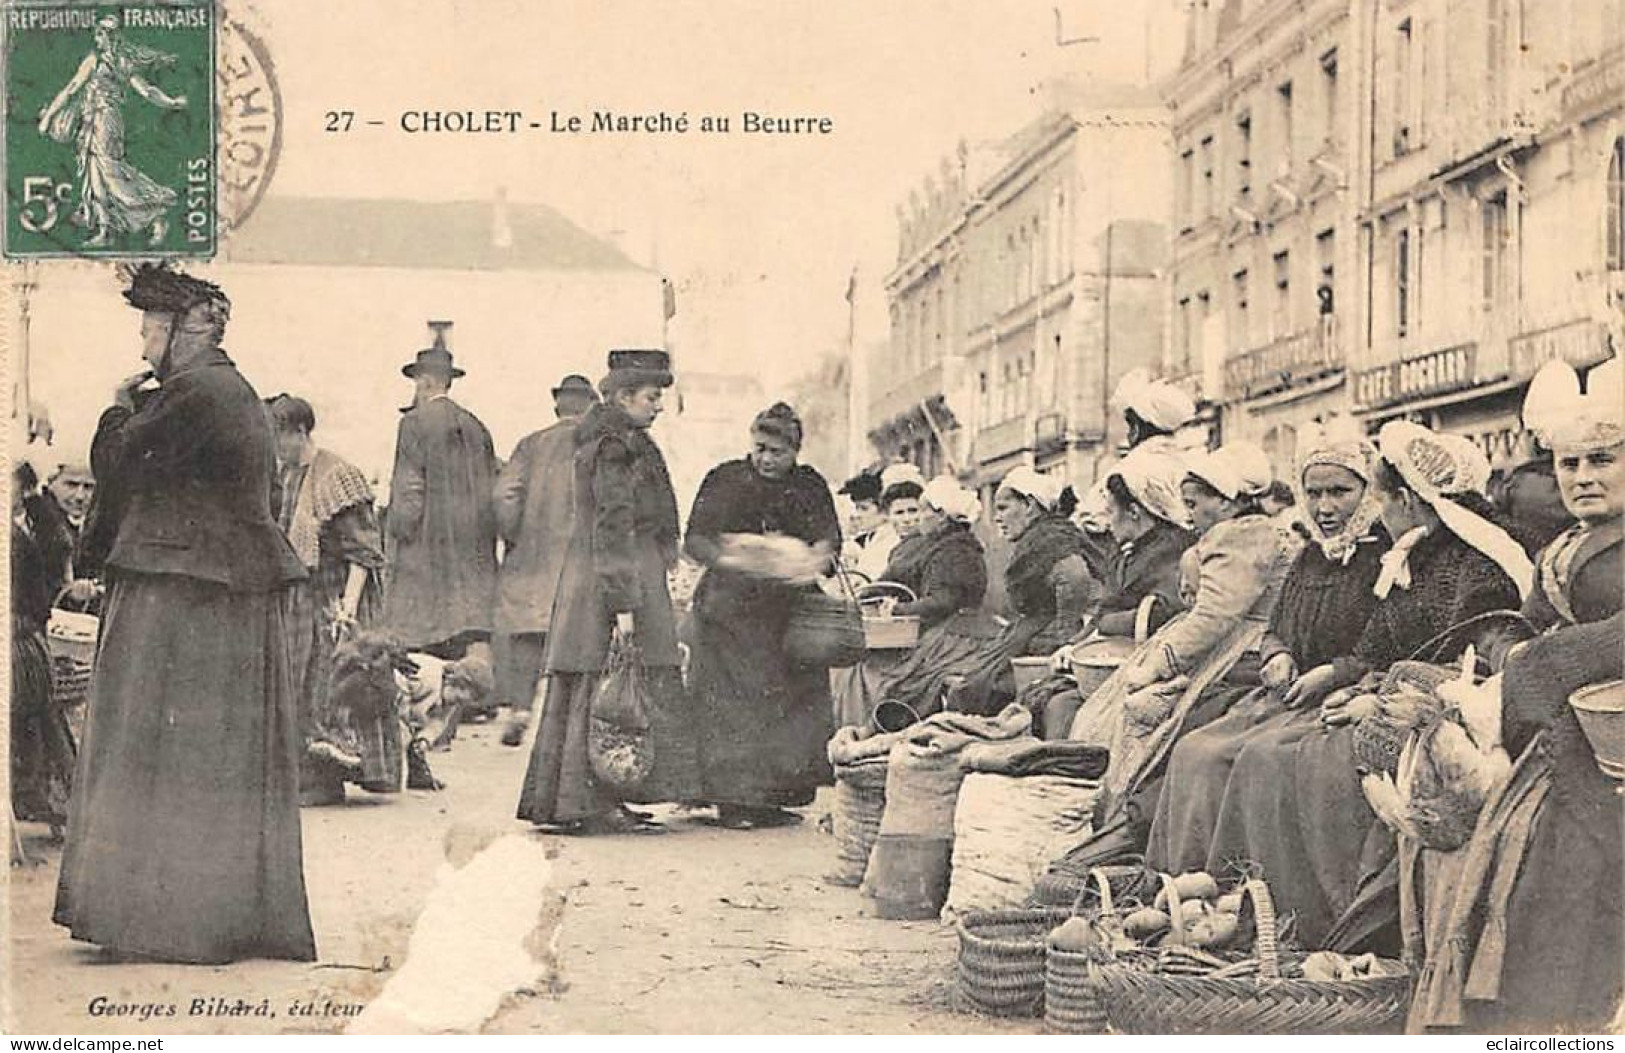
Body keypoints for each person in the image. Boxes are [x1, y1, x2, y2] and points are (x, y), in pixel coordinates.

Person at [53, 264, 314, 964]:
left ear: (187, 327)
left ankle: (158, 918)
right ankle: (192, 914)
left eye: (149, 327)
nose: (141, 345)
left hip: (182, 594)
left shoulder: (196, 391)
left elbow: (119, 463)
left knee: (148, 745)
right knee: (198, 754)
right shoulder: (225, 391)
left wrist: (115, 409)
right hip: (211, 590)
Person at [1194, 421, 1527, 953]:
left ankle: (1307, 921)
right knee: (1249, 752)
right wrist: (1351, 682)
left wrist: (1374, 695)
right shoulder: (1414, 557)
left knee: (1275, 759)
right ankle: (1252, 909)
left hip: (1437, 725)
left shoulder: (1471, 571)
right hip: (1386, 702)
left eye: (1380, 498)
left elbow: (1471, 669)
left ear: (1408, 503)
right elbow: (1377, 648)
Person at [1406, 359, 1623, 1032]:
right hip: (1565, 728)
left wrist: (1534, 664)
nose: (1582, 476)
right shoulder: (1564, 543)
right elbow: (1522, 623)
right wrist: (1500, 660)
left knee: (1565, 867)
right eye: (1568, 464)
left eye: (1601, 459)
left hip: (1610, 739)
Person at [1147, 425, 1389, 874]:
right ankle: (1188, 888)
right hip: (1288, 693)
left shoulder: (1385, 556)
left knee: (1258, 759)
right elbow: (1277, 625)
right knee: (1195, 750)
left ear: (1368, 489)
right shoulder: (1310, 555)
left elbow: (1387, 644)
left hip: (1342, 698)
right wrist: (1277, 653)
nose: (1325, 507)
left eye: (1340, 492)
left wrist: (1335, 673)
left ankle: (1256, 892)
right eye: (1314, 493)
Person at [1066, 443, 1300, 864]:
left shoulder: (1245, 536)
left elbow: (1215, 616)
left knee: (1167, 728)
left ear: (1226, 502)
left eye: (1194, 503)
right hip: (1226, 645)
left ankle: (1138, 843)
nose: (1188, 513)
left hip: (1245, 651)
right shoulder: (1232, 534)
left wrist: (1159, 663)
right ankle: (1119, 831)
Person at [517, 349, 693, 834]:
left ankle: (606, 795)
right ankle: (590, 801)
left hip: (611, 578)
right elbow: (612, 528)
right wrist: (623, 604)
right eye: (652, 397)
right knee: (608, 688)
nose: (659, 406)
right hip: (611, 582)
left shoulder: (622, 440)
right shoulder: (614, 448)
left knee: (612, 689)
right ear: (622, 396)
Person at [686, 402, 843, 829]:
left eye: (777, 452)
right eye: (759, 448)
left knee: (789, 700)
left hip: (789, 611)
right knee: (733, 703)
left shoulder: (810, 485)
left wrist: (813, 556)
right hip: (729, 611)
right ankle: (733, 800)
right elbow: (696, 539)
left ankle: (775, 794)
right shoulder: (725, 479)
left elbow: (829, 538)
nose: (766, 459)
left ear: (795, 452)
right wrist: (735, 555)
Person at [266, 394, 394, 805]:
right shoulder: (285, 475)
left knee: (331, 685)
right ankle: (306, 776)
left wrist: (348, 611)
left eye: (279, 436)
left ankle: (328, 778)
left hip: (333, 597)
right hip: (299, 598)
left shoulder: (336, 476)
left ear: (300, 431)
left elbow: (363, 551)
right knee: (298, 686)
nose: (275, 446)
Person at [1025, 448, 1198, 738]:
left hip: (1155, 667)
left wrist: (1104, 628)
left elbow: (1162, 613)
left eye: (1112, 510)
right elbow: (1105, 609)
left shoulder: (1173, 550)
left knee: (1062, 705)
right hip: (1114, 659)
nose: (1107, 519)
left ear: (1134, 512)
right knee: (1044, 693)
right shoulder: (1127, 553)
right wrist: (1075, 646)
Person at [381, 332, 499, 674]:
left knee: (424, 627)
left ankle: (432, 696)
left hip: (427, 547)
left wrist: (398, 531)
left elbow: (408, 493)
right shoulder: (477, 427)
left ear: (426, 381)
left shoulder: (413, 423)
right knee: (466, 626)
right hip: (472, 546)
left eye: (418, 381)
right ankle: (471, 695)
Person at [493, 373, 600, 747]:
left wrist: (515, 536)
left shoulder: (530, 444)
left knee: (528, 635)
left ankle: (521, 708)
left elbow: (505, 496)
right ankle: (564, 725)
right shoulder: (597, 444)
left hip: (532, 557)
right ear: (590, 407)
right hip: (578, 558)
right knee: (575, 639)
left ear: (558, 405)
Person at [945, 467, 1094, 715]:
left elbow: (1075, 576)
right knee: (972, 679)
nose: (998, 518)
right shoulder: (1040, 536)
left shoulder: (1049, 538)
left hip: (1043, 635)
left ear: (1030, 505)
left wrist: (1065, 635)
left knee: (977, 686)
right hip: (1030, 630)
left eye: (1003, 508)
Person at [35, 14, 187, 247]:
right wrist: (172, 102)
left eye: (103, 34)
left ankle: (156, 215)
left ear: (108, 36)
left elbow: (72, 89)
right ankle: (105, 230)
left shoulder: (99, 61)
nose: (100, 38)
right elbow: (147, 91)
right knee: (95, 175)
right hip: (92, 122)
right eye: (100, 33)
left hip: (104, 121)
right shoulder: (118, 61)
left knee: (110, 172)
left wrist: (48, 117)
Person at [864, 477, 991, 721]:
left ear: (941, 516)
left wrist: (899, 610)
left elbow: (942, 602)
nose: (916, 518)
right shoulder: (947, 546)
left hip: (957, 636)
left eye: (922, 510)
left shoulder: (954, 551)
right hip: (953, 631)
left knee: (902, 680)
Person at [11, 464, 76, 847]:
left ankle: (47, 796)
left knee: (43, 710)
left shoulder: (24, 534)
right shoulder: (21, 534)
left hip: (24, 641)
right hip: (26, 641)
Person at [1111, 368, 1197, 456]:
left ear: (1137, 427)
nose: (1128, 436)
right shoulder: (1188, 465)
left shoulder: (1127, 467)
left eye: (1130, 424)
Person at [837, 471, 894, 583]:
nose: (856, 515)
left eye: (864, 508)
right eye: (856, 508)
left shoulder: (891, 540)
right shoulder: (871, 538)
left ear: (884, 511)